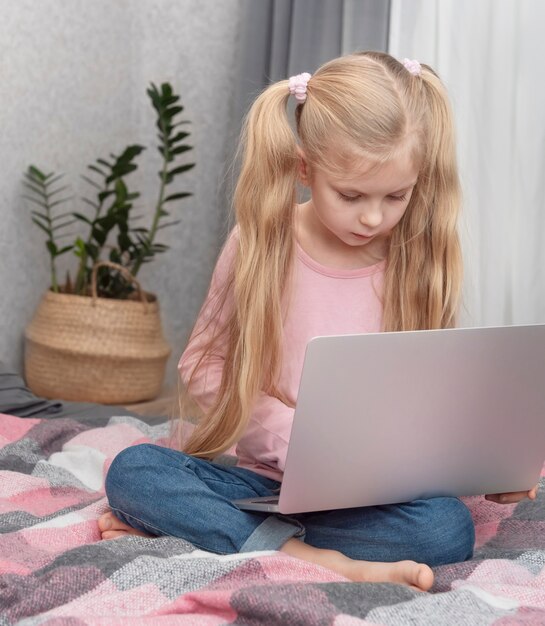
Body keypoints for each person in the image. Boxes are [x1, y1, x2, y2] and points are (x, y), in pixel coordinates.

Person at [99, 51, 537, 591]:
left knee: (445, 530)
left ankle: (233, 539)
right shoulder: (261, 243)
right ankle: (317, 559)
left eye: (396, 196)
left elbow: (433, 400)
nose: (373, 217)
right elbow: (204, 363)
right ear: (305, 169)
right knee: (135, 471)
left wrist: (487, 466)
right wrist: (294, 437)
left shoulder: (419, 260)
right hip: (257, 479)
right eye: (350, 195)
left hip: (371, 494)